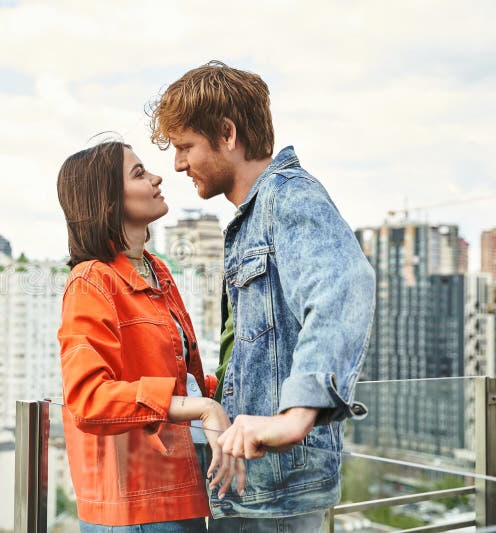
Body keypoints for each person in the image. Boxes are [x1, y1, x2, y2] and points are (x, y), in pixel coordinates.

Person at [148, 61, 376, 532]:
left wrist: (294, 418)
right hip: (251, 483)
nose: (177, 164)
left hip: (279, 490)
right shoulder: (252, 217)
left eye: (186, 146)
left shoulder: (288, 197)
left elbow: (346, 284)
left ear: (227, 134)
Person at [56, 140, 246, 532]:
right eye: (139, 173)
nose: (158, 177)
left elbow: (184, 382)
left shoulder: (158, 270)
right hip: (135, 507)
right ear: (107, 197)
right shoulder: (91, 280)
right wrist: (204, 410)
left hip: (180, 488)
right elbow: (88, 399)